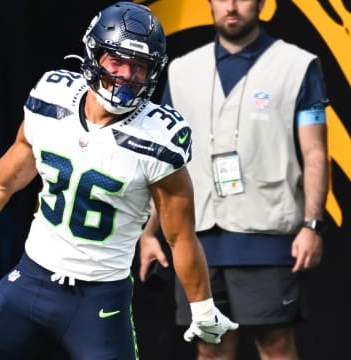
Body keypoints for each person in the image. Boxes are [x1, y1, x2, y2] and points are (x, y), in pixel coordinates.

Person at [0, 2, 239, 359]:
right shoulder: (52, 98)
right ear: (95, 55)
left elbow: (180, 234)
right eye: (117, 60)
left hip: (99, 302)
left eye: (139, 67)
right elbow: (2, 181)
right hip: (31, 279)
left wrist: (202, 308)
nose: (125, 75)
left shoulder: (159, 137)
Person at [139, 0, 329, 359]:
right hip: (197, 239)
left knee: (276, 345)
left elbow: (316, 153)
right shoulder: (181, 71)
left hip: (267, 233)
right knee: (211, 349)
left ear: (261, 3)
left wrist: (312, 225)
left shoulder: (296, 66)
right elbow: (167, 162)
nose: (232, 6)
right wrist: (148, 233)